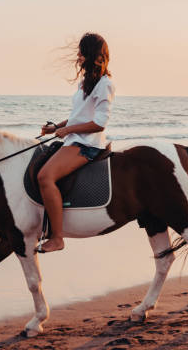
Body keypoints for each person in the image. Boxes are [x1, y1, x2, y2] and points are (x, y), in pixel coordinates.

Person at [37, 33, 116, 253]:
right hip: (74, 139)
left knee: (45, 177)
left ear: (92, 55)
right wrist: (56, 128)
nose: (79, 56)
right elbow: (78, 116)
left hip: (88, 144)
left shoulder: (105, 84)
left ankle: (57, 238)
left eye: (82, 52)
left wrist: (68, 130)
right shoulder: (85, 83)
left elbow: (99, 123)